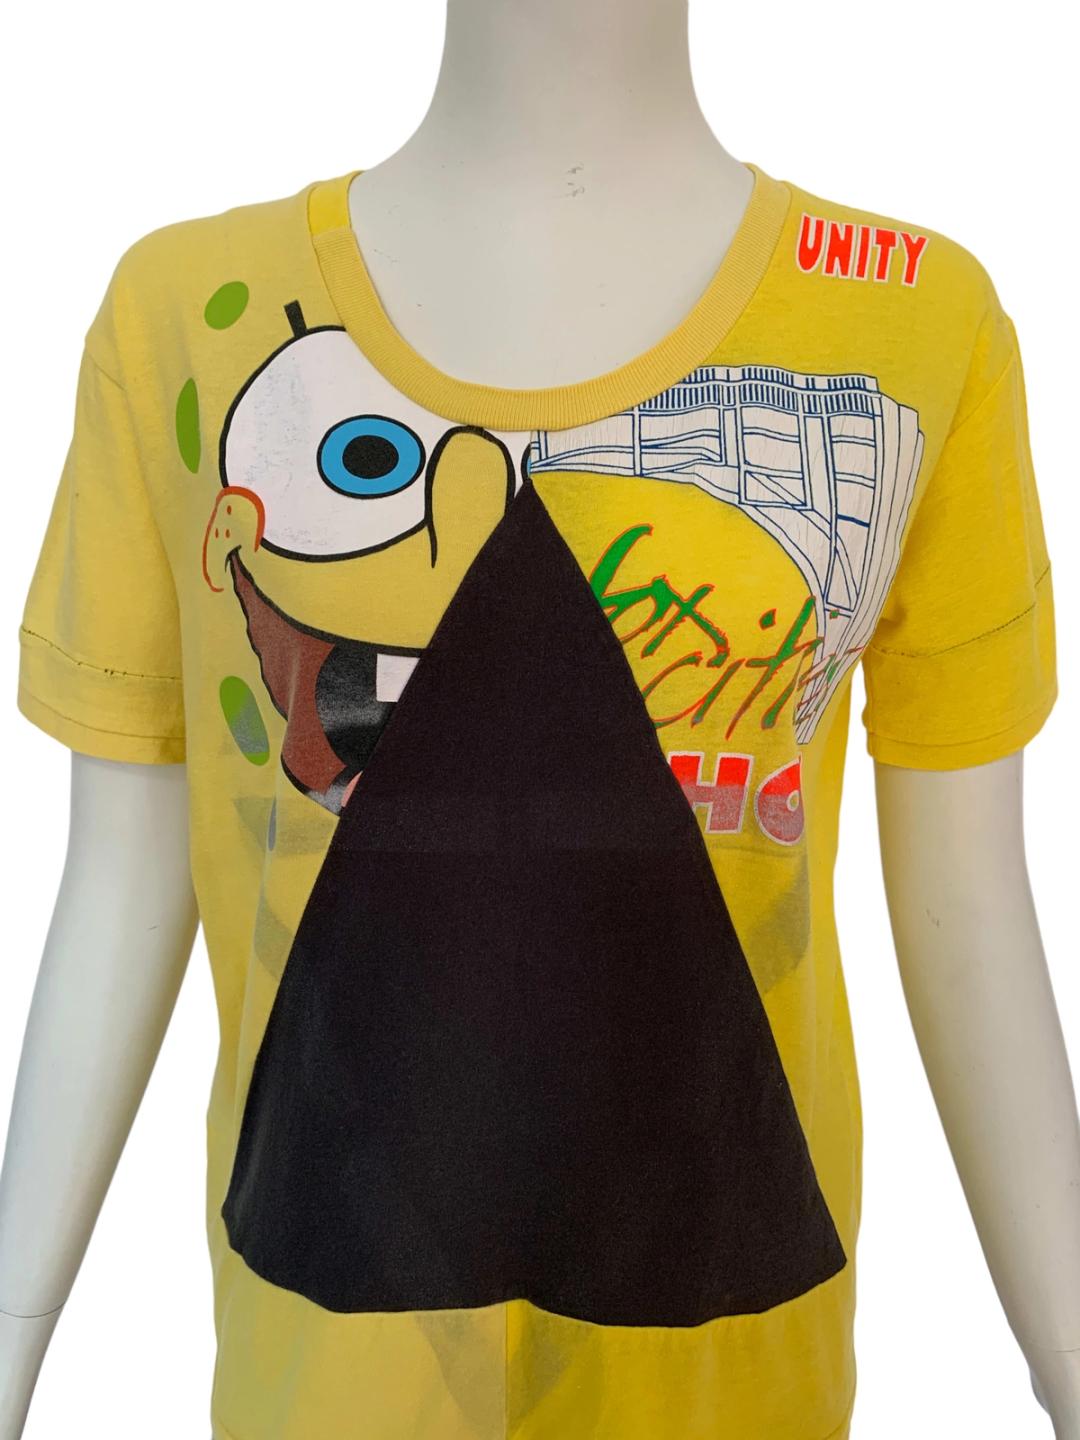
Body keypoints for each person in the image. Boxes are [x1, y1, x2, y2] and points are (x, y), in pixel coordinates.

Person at [3, 1, 1077, 1437]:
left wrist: (1065, 1351)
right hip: (330, 1373)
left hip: (725, 1364)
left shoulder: (913, 322)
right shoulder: (185, 311)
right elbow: (117, 880)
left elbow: (974, 901)